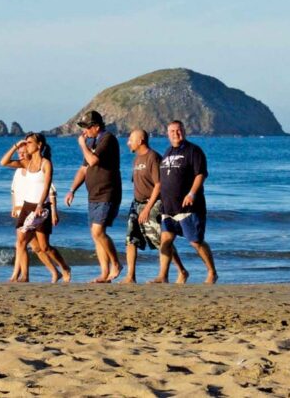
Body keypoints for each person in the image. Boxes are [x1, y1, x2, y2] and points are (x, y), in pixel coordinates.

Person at [1, 133, 71, 283]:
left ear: (39, 145)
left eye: (29, 142)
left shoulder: (46, 164)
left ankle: (64, 267)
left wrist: (40, 205)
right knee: (20, 242)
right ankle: (22, 276)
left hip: (41, 208)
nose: (27, 145)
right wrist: (16, 146)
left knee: (44, 247)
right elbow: (3, 162)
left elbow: (47, 187)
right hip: (27, 207)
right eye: (25, 143)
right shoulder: (27, 163)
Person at [156, 120, 218, 284]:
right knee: (165, 241)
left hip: (188, 207)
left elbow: (201, 174)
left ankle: (212, 272)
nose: (176, 133)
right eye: (172, 131)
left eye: (178, 130)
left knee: (196, 242)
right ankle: (163, 276)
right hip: (168, 208)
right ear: (167, 134)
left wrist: (191, 193)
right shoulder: (167, 152)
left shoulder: (193, 151)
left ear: (184, 131)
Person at [123, 129, 188, 284]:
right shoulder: (136, 159)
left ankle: (181, 271)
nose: (128, 142)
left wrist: (147, 208)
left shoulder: (153, 158)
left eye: (131, 139)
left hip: (153, 204)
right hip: (136, 204)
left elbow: (158, 185)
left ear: (140, 141)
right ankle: (130, 276)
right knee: (131, 239)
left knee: (161, 241)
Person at [64, 110, 122, 283]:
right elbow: (84, 169)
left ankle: (116, 264)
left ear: (96, 127)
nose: (84, 131)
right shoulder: (92, 142)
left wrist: (82, 144)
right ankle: (104, 273)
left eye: (87, 127)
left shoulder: (107, 139)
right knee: (95, 235)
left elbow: (94, 161)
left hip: (107, 192)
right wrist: (72, 190)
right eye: (83, 127)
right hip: (93, 194)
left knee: (98, 231)